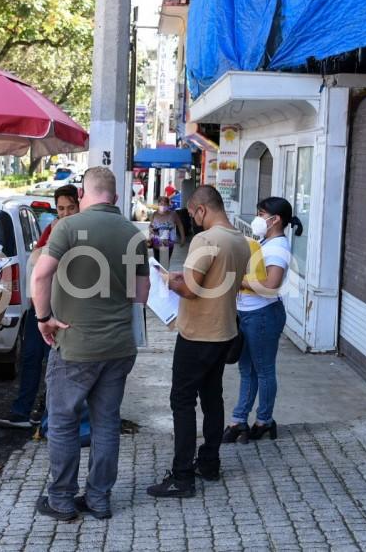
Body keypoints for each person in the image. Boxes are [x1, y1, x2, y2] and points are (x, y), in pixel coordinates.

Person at [31, 166, 150, 520]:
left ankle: (62, 500)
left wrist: (43, 318)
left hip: (75, 344)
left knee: (64, 421)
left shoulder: (68, 226)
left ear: (84, 193)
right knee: (106, 423)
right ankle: (98, 499)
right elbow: (140, 295)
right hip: (118, 347)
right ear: (113, 196)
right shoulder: (133, 234)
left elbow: (40, 274)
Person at [147, 185, 250, 498]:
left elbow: (191, 290)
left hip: (197, 334)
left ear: (202, 209)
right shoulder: (240, 241)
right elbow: (214, 280)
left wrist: (167, 280)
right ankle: (209, 463)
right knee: (213, 398)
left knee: (182, 401)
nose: (192, 219)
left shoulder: (206, 240)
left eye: (192, 214)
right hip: (225, 332)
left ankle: (182, 476)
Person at [0, 184, 80, 428]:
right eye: (60, 209)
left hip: (66, 307)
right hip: (40, 306)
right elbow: (34, 262)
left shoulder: (83, 230)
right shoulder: (52, 229)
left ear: (79, 206)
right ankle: (22, 412)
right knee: (31, 357)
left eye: (70, 208)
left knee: (57, 361)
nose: (65, 213)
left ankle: (49, 414)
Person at [222, 197, 303, 444]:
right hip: (248, 314)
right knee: (247, 370)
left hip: (263, 316)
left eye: (261, 213)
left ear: (275, 219)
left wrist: (236, 279)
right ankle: (239, 420)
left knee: (264, 370)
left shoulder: (278, 246)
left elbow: (271, 285)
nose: (257, 218)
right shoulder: (264, 241)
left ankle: (264, 421)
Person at [149, 196, 186, 267]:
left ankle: (164, 276)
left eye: (165, 204)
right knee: (157, 262)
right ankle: (158, 276)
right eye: (161, 204)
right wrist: (150, 232)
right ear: (158, 205)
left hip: (169, 243)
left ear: (168, 205)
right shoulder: (154, 214)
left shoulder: (173, 214)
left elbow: (180, 225)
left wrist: (183, 238)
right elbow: (151, 226)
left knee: (165, 263)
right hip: (156, 242)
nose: (163, 206)